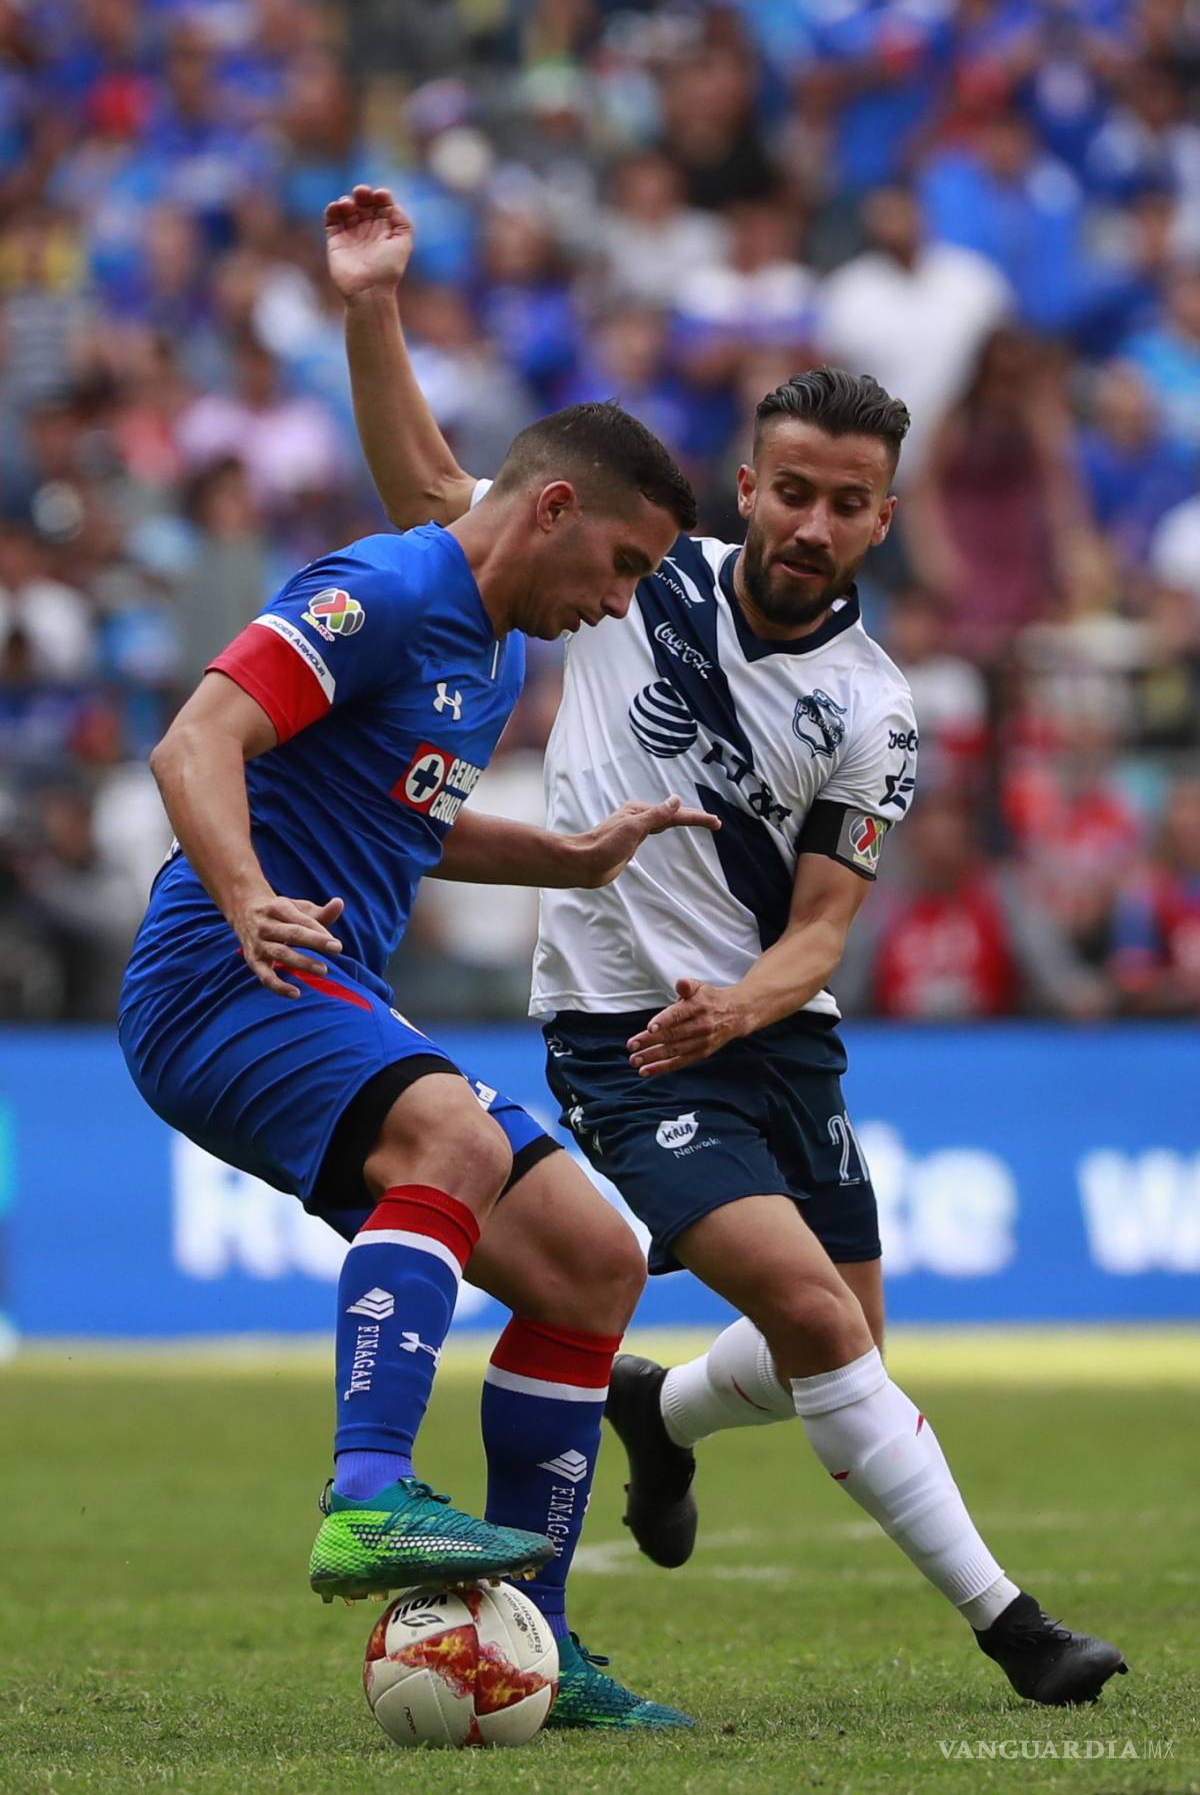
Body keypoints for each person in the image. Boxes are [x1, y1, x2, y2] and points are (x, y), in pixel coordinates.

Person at [333, 182, 1129, 1708]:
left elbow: (825, 923)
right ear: (748, 485)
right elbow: (435, 485)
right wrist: (374, 306)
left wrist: (749, 1003)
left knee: (837, 1342)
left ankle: (657, 1413)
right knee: (828, 1326)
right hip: (628, 1038)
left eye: (850, 506)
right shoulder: (637, 582)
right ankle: (1014, 1627)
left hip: (773, 1034)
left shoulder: (879, 710)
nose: (815, 526)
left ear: (885, 518)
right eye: (793, 492)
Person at [118, 388, 713, 1729]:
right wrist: (243, 893)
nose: (622, 604)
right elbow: (195, 737)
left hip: (321, 983)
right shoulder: (383, 588)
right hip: (225, 974)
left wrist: (559, 857)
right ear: (554, 509)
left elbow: (403, 816)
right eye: (625, 566)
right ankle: (368, 1491)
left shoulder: (491, 650)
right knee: (458, 1136)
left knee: (594, 1258)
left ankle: (537, 1647)